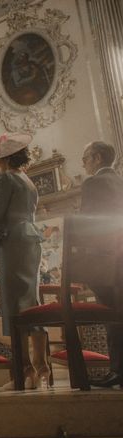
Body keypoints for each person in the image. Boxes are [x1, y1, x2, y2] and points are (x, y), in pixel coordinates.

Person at [0, 133, 48, 389]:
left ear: (6, 158)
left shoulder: (5, 177)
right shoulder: (28, 180)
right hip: (31, 240)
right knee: (31, 301)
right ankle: (41, 367)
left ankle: (23, 371)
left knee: (12, 304)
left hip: (12, 241)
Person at [80, 141, 123, 388]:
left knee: (112, 315)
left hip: (106, 262)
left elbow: (85, 227)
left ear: (96, 158)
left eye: (85, 158)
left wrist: (82, 265)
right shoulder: (119, 181)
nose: (83, 163)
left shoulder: (94, 183)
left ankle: (117, 370)